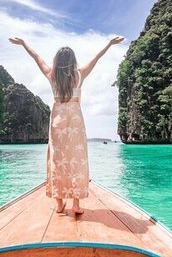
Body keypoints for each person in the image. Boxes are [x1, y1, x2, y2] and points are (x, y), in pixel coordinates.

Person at [8, 36, 124, 214]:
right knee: (77, 159)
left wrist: (23, 43)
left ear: (57, 61)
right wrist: (109, 43)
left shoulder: (51, 75)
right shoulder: (79, 74)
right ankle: (76, 204)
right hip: (75, 119)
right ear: (73, 60)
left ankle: (59, 203)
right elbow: (96, 58)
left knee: (57, 160)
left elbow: (36, 57)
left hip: (58, 120)